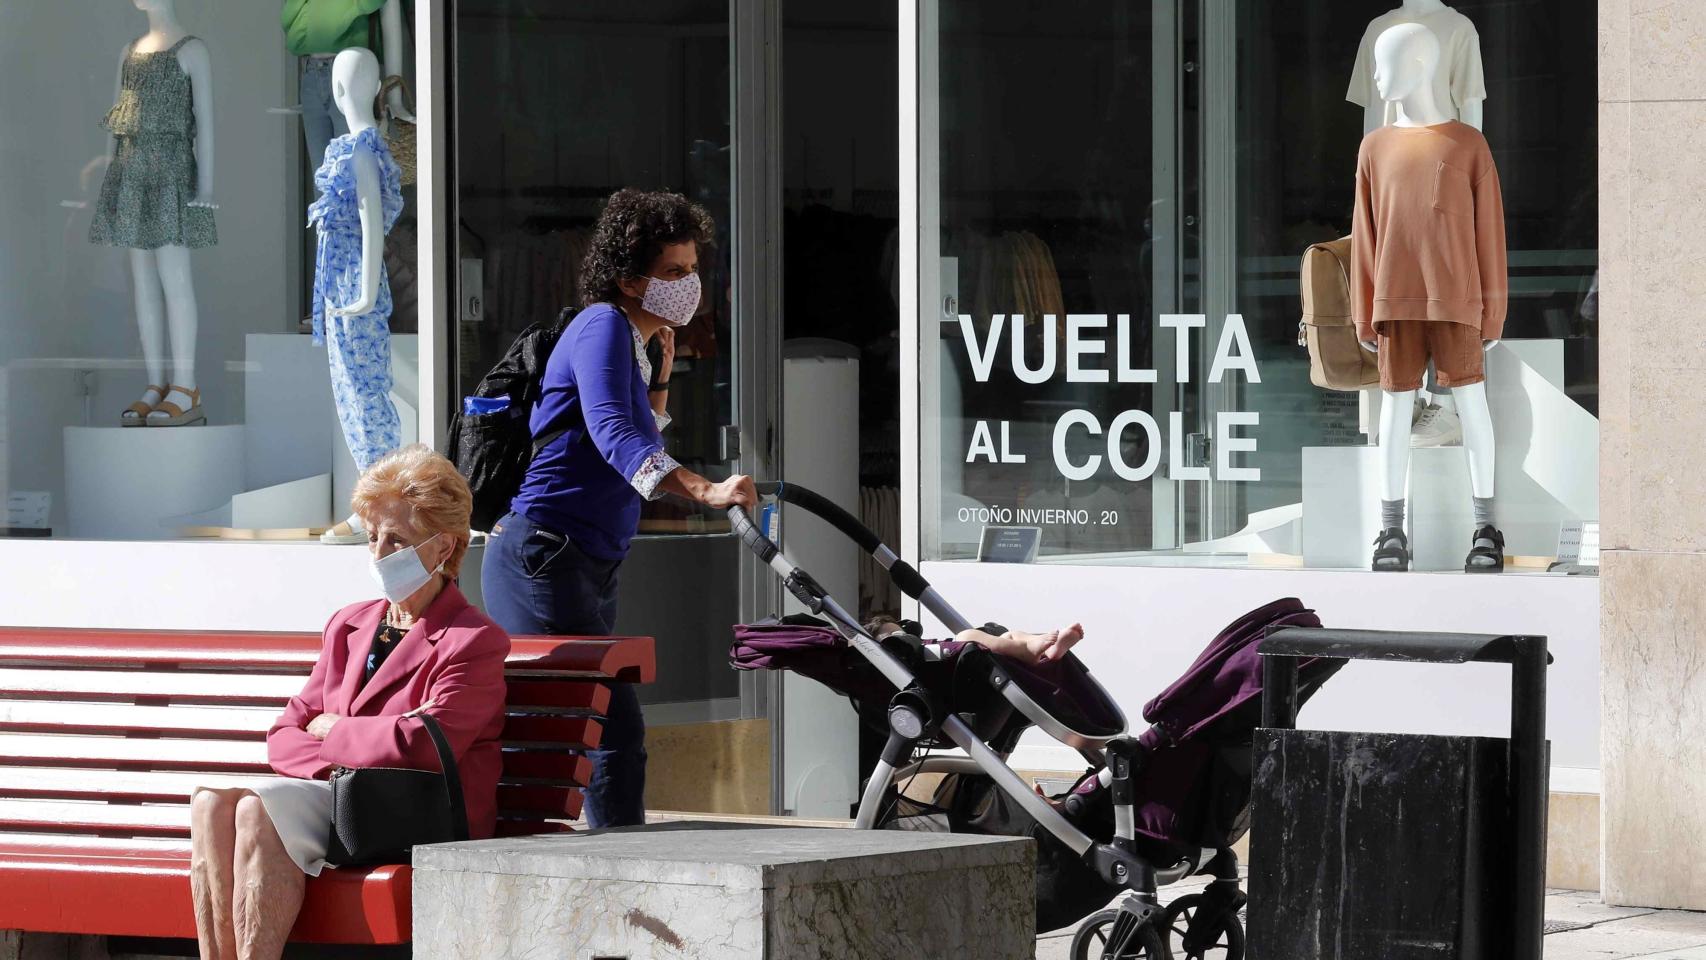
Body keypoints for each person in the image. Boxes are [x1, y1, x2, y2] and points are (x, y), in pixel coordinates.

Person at [481, 188, 758, 828]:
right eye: (674, 272)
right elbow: (615, 437)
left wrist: (658, 374)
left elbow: (630, 434)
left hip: (585, 559)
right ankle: (603, 876)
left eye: (693, 270)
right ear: (629, 277)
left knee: (587, 730)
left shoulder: (632, 339)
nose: (689, 285)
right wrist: (705, 491)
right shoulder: (602, 325)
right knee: (605, 732)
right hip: (546, 555)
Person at [187, 445, 509, 960]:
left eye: (397, 539)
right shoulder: (350, 623)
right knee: (209, 804)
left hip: (414, 812)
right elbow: (284, 737)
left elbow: (425, 745)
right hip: (340, 800)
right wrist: (356, 749)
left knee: (255, 810)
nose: (380, 553)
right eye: (374, 536)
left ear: (444, 547)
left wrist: (334, 732)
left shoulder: (472, 640)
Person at [869, 616, 1086, 666]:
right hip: (963, 676)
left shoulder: (921, 646)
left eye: (902, 634)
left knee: (1011, 634)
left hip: (981, 662)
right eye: (894, 638)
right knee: (965, 636)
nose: (903, 639)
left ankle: (1045, 649)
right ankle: (1029, 649)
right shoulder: (905, 662)